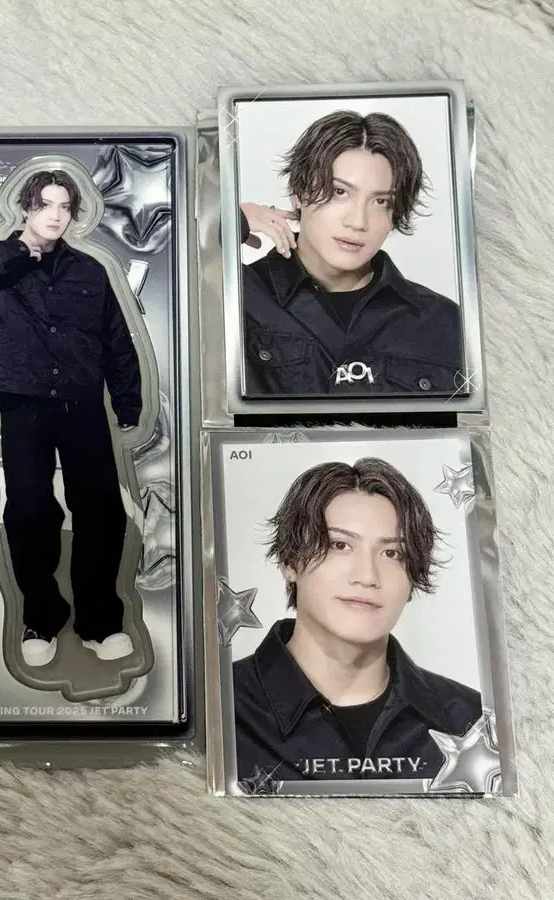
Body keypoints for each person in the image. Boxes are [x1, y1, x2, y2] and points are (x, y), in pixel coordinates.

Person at [0, 169, 142, 668]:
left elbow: (116, 339)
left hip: (82, 404)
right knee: (29, 511)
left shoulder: (89, 271)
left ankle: (101, 622)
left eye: (64, 206)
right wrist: (15, 252)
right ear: (26, 207)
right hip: (23, 404)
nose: (55, 215)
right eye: (45, 204)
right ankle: (40, 618)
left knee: (100, 510)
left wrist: (128, 402)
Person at [232, 457, 482, 784]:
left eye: (392, 553)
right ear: (289, 561)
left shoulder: (471, 721)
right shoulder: (222, 708)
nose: (367, 576)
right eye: (340, 545)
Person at [237, 110, 466, 398]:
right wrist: (227, 222)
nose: (358, 222)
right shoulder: (238, 295)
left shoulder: (442, 321)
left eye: (381, 201)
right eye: (339, 192)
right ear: (298, 192)